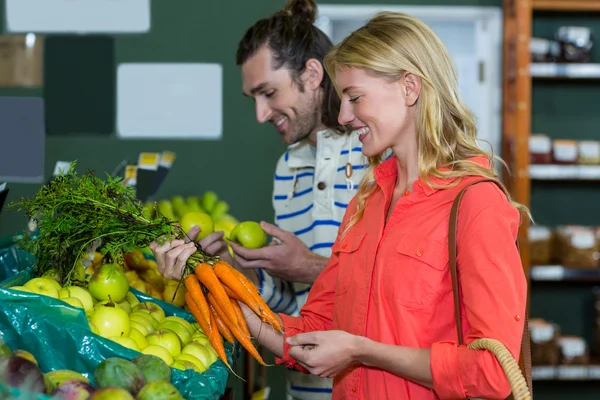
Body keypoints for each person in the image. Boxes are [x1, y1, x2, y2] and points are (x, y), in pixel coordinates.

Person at [230, 11, 530, 400]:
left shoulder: (476, 203)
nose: (343, 116)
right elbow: (313, 330)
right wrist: (217, 294)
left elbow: (495, 371)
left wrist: (364, 352)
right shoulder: (365, 203)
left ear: (409, 88)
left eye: (354, 98)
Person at [150, 0, 368, 398]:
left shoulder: (375, 152)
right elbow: (290, 300)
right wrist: (234, 271)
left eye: (268, 93)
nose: (260, 114)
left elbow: (405, 288)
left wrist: (311, 266)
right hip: (303, 387)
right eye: (252, 98)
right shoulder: (288, 168)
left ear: (313, 75)